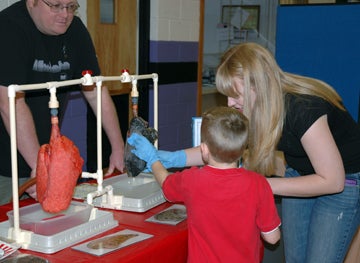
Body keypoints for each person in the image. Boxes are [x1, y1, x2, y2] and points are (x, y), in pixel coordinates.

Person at [151, 43, 360, 263]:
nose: (230, 103)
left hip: (344, 182)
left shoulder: (303, 109)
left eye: (234, 94)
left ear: (257, 85)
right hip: (300, 172)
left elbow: (333, 182)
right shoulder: (255, 107)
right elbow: (220, 146)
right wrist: (172, 157)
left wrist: (258, 186)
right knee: (295, 258)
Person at [0, 0, 125, 205]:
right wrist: (40, 168)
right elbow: (10, 103)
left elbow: (95, 91)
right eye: (56, 6)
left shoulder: (74, 29)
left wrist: (118, 148)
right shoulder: (8, 27)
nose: (64, 14)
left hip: (44, 156)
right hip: (4, 164)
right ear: (32, 2)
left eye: (71, 6)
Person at [128, 106, 281, 263]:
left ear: (204, 150)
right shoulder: (258, 183)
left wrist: (153, 159)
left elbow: (166, 183)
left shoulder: (192, 180)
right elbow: (272, 238)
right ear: (243, 150)